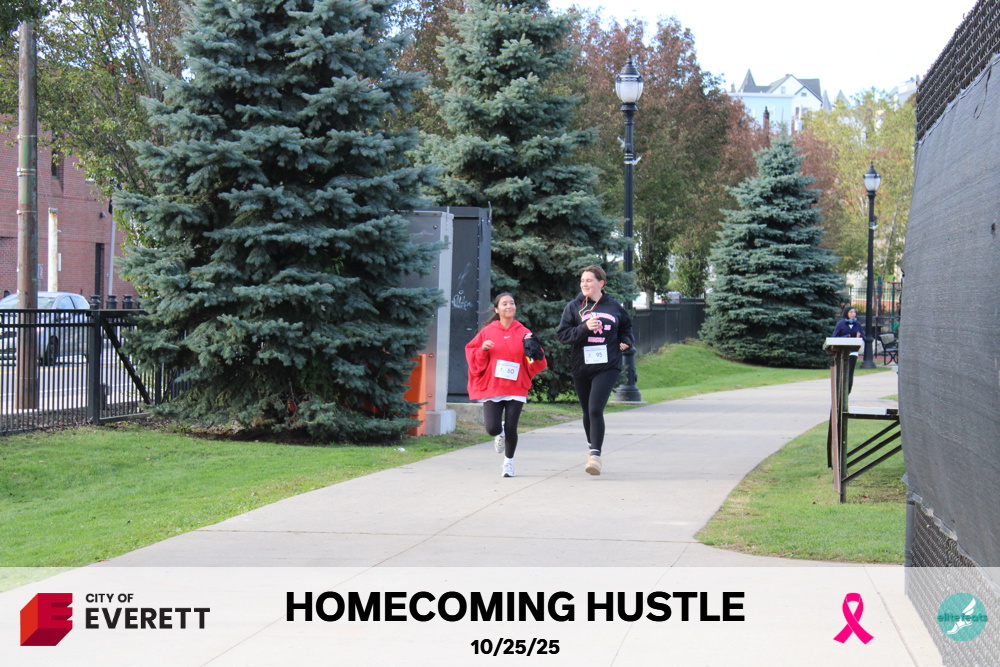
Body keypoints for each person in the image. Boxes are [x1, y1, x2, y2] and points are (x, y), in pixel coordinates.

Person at [557, 265, 634, 476]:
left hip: (607, 365)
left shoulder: (614, 306)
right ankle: (592, 447)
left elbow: (626, 328)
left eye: (589, 280)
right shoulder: (574, 307)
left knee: (595, 409)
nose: (585, 284)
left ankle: (596, 456)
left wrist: (626, 342)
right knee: (586, 411)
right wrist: (584, 328)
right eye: (582, 281)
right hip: (582, 365)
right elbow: (563, 335)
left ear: (601, 283)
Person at [466, 293, 547, 478]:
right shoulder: (488, 331)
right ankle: (499, 431)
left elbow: (536, 362)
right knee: (492, 428)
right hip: (494, 385)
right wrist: (483, 349)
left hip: (516, 385)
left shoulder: (524, 332)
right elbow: (472, 354)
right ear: (497, 309)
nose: (509, 306)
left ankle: (508, 463)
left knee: (512, 427)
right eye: (504, 304)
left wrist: (535, 353)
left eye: (512, 303)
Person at [832, 305, 864, 393]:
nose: (853, 314)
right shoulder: (841, 324)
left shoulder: (857, 324)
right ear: (846, 313)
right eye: (851, 312)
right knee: (841, 372)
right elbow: (835, 337)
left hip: (853, 351)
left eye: (854, 312)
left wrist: (859, 337)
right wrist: (846, 337)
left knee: (850, 372)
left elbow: (863, 336)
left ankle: (847, 392)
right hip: (842, 352)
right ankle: (839, 392)